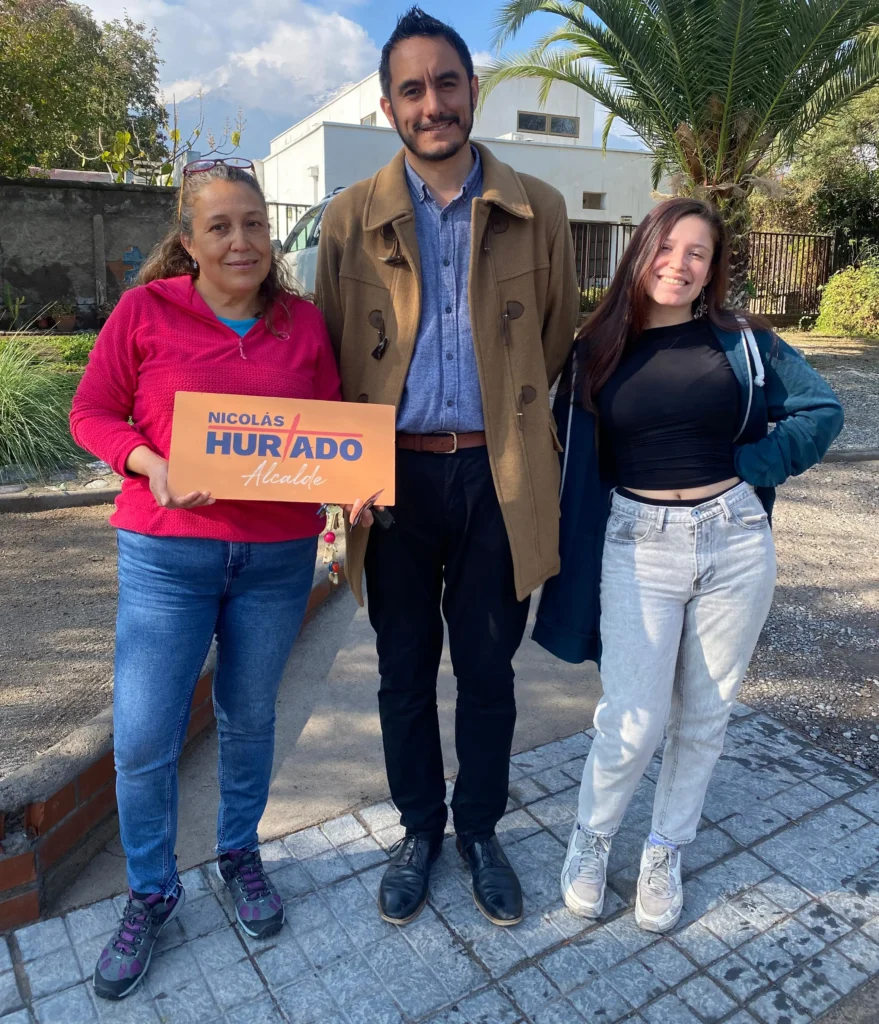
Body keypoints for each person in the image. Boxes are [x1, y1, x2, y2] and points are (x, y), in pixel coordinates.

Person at [316, 7, 579, 928]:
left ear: (473, 89)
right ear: (389, 106)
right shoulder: (350, 218)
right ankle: (418, 829)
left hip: (496, 478)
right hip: (390, 481)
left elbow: (552, 342)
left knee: (489, 673)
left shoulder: (537, 209)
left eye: (447, 83)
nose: (433, 104)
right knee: (400, 670)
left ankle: (479, 830)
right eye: (412, 89)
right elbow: (330, 351)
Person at [533, 197, 844, 933]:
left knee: (704, 717)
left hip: (734, 540)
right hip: (637, 543)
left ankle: (664, 848)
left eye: (696, 253)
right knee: (632, 720)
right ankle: (592, 837)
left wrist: (756, 466)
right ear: (640, 253)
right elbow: (560, 454)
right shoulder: (594, 348)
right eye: (666, 247)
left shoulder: (741, 342)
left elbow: (821, 408)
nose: (678, 263)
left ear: (712, 269)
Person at [70, 160, 342, 1000]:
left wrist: (351, 484)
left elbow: (329, 433)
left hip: (276, 560)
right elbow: (91, 414)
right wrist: (150, 463)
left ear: (271, 232)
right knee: (146, 736)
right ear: (186, 241)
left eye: (253, 223)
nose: (240, 240)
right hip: (168, 558)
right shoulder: (145, 311)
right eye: (219, 226)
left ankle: (239, 855)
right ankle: (151, 894)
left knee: (248, 716)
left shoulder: (303, 324)